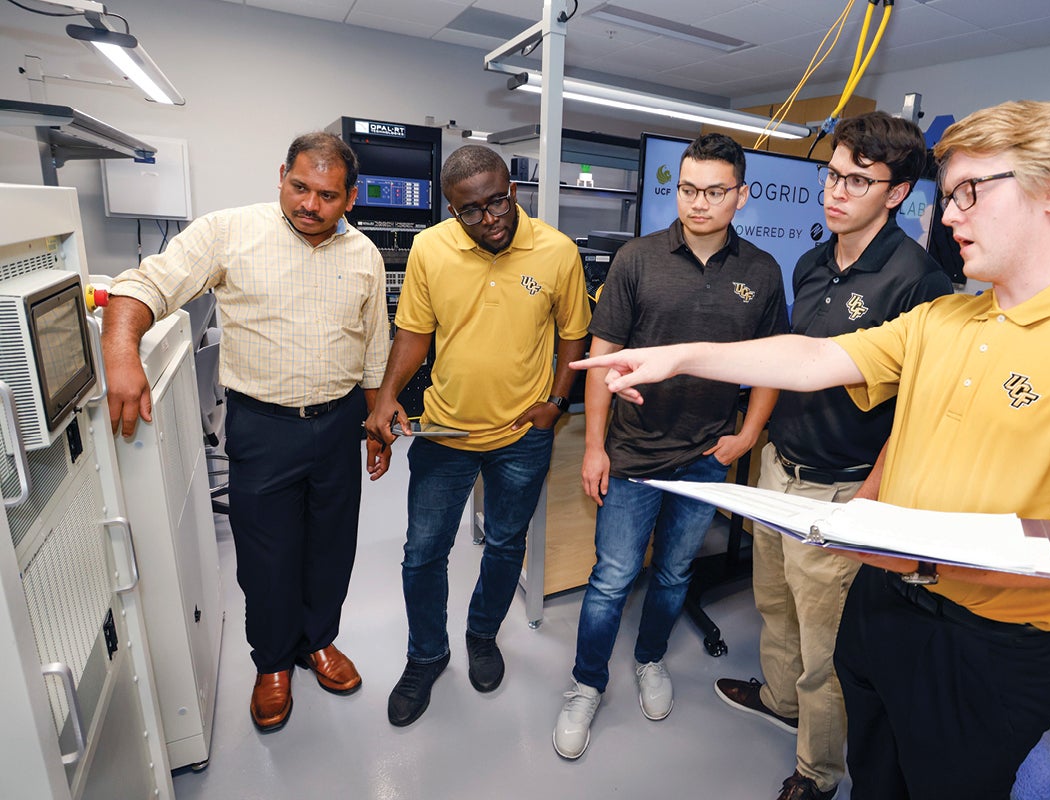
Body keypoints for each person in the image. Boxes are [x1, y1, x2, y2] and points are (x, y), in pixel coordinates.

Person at [572, 100, 1050, 799]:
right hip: (882, 610)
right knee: (873, 775)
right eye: (949, 194)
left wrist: (895, 543)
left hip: (983, 647)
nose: (950, 215)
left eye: (969, 193)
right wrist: (679, 355)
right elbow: (812, 360)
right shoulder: (946, 317)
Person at [102, 132, 389, 733]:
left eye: (327, 195)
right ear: (281, 174)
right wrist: (121, 353)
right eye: (299, 187)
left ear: (351, 199)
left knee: (332, 546)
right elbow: (143, 285)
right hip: (264, 425)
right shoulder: (229, 232)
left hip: (338, 424)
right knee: (267, 553)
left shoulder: (363, 254)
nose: (310, 204)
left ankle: (319, 643)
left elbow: (372, 348)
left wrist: (376, 418)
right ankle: (273, 663)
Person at [713, 112, 952, 800]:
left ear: (898, 192)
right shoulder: (813, 260)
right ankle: (780, 702)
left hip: (840, 490)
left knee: (827, 649)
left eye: (857, 180)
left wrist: (873, 494)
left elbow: (918, 412)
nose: (834, 192)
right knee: (773, 604)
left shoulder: (918, 282)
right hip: (778, 467)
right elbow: (794, 364)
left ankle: (818, 773)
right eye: (832, 174)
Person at [552, 132, 789, 760]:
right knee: (611, 578)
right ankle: (586, 684)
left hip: (705, 459)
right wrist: (594, 446)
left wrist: (745, 434)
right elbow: (602, 360)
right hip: (631, 457)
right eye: (687, 189)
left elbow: (772, 364)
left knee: (676, 572)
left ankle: (650, 658)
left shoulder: (761, 273)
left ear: (741, 195)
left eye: (714, 191)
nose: (698, 203)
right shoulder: (637, 259)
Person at [364, 145, 591, 727]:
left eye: (499, 201)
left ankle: (482, 636)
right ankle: (427, 655)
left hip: (523, 435)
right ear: (450, 209)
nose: (491, 218)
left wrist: (557, 403)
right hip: (445, 431)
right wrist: (389, 393)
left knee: (506, 544)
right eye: (473, 210)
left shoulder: (557, 251)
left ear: (512, 188)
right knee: (422, 553)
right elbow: (414, 332)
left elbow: (574, 336)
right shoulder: (430, 249)